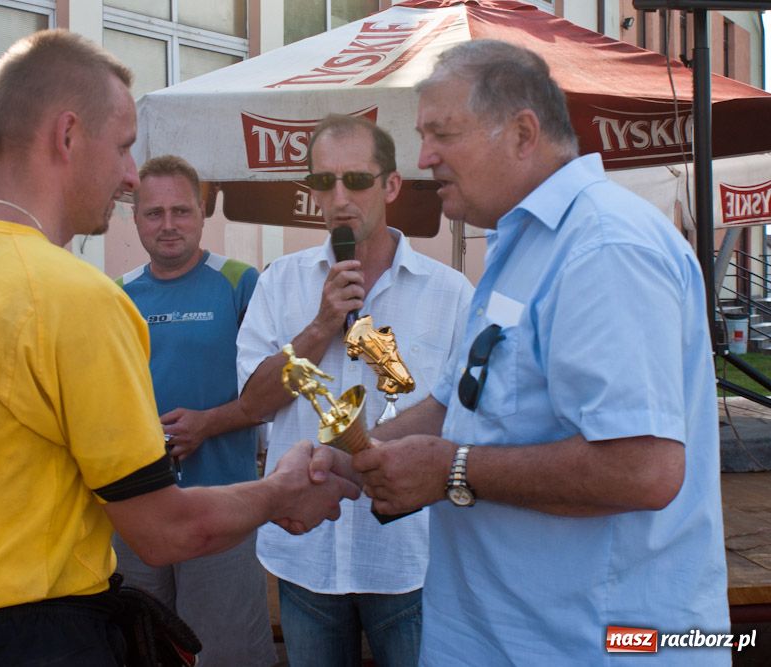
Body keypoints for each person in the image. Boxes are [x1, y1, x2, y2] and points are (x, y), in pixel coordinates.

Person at [0, 29, 358, 667]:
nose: (130, 175)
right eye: (124, 146)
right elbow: (163, 530)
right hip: (40, 640)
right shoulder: (80, 297)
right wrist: (279, 490)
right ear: (68, 135)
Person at [354, 40, 730, 665]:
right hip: (508, 636)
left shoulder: (604, 249)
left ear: (523, 134)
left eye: (442, 133)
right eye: (423, 136)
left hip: (593, 643)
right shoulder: (523, 242)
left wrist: (453, 471)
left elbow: (643, 469)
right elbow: (456, 405)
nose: (424, 158)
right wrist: (348, 462)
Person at [236, 114, 474, 666]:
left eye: (358, 180)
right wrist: (320, 326)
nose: (340, 198)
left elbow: (464, 412)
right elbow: (253, 403)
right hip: (307, 555)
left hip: (408, 558)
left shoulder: (450, 293)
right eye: (325, 181)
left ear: (390, 186)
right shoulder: (280, 282)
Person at [114, 154, 276, 666]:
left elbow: (276, 390)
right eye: (154, 213)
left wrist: (209, 424)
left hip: (222, 508)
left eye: (180, 211)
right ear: (135, 218)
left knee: (226, 654)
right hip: (137, 510)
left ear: (202, 213)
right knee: (142, 649)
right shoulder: (116, 295)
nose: (168, 225)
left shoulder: (241, 282)